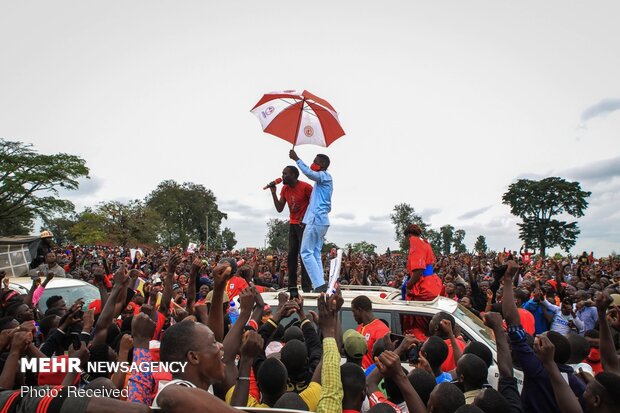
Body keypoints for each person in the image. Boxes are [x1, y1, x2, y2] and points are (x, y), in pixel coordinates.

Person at [289, 149, 333, 292]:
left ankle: (319, 285)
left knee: (306, 252)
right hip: (319, 221)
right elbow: (318, 204)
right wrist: (306, 219)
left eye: (316, 162)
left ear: (324, 165)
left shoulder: (324, 176)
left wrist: (297, 159)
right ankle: (319, 283)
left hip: (317, 220)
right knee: (314, 252)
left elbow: (309, 173)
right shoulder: (321, 183)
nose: (313, 164)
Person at [269, 165, 313, 293]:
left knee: (304, 255)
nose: (282, 176)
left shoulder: (306, 187)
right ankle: (292, 286)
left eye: (285, 174)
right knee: (291, 256)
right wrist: (273, 193)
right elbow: (279, 208)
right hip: (293, 224)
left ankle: (306, 286)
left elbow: (314, 205)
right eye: (282, 174)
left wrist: (305, 219)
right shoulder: (285, 188)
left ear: (294, 175)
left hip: (304, 224)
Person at [352, 295, 390, 369]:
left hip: (372, 376)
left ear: (359, 310)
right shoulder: (359, 328)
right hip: (359, 375)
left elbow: (384, 359)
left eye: (354, 312)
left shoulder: (381, 329)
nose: (353, 315)